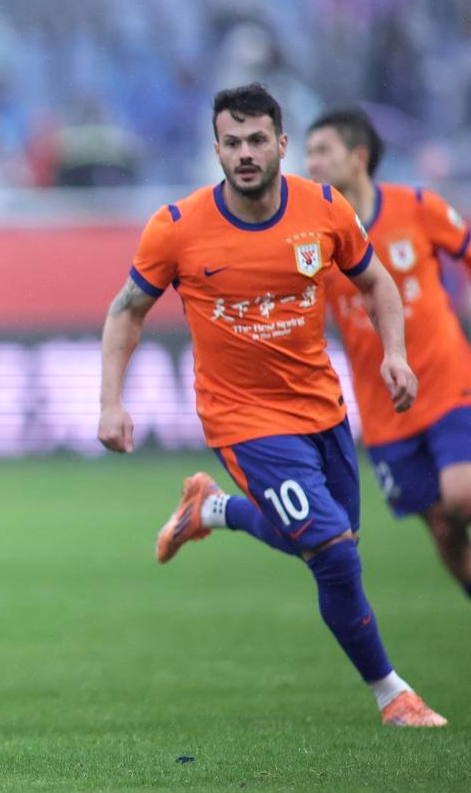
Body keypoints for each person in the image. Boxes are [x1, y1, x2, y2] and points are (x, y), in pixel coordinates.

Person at [98, 83, 446, 727]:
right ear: (216, 150)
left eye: (257, 140)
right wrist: (110, 403)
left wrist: (395, 354)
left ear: (282, 144)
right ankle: (393, 695)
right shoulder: (177, 227)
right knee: (334, 553)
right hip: (243, 419)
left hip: (321, 409)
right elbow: (127, 311)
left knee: (329, 541)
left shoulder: (324, 209)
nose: (245, 154)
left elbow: (376, 283)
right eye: (232, 143)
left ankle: (213, 510)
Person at [305, 107, 471, 600]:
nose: (311, 163)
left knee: (461, 495)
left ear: (358, 157)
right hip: (385, 410)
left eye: (322, 151)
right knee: (442, 525)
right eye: (308, 153)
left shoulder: (416, 206)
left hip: (447, 382)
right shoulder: (314, 237)